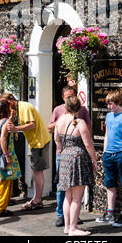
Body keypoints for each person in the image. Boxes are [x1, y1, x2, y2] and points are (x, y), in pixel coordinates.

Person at [48, 85, 92, 227]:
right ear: (63, 98)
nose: (71, 98)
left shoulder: (83, 111)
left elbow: (89, 129)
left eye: (73, 95)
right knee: (65, 189)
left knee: (71, 192)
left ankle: (72, 219)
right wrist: (64, 120)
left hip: (68, 153)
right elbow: (50, 128)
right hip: (65, 155)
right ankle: (61, 215)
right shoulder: (58, 110)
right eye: (68, 96)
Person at [54, 94, 97, 236]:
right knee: (77, 197)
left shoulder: (60, 120)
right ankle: (73, 228)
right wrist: (94, 160)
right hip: (78, 158)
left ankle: (67, 227)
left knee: (68, 196)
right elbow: (88, 144)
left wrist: (64, 150)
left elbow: (57, 140)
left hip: (65, 157)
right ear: (78, 107)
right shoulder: (80, 122)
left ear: (66, 107)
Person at [95, 91, 122, 227]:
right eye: (108, 104)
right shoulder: (108, 116)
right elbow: (106, 134)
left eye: (111, 104)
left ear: (118, 102)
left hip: (121, 154)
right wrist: (105, 150)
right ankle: (110, 213)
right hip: (109, 154)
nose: (109, 107)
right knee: (109, 184)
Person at [7, 96, 51, 210]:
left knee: (37, 171)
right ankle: (37, 199)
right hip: (36, 142)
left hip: (39, 142)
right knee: (36, 170)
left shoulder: (24, 107)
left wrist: (16, 128)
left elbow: (32, 124)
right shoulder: (19, 108)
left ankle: (37, 200)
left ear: (10, 101)